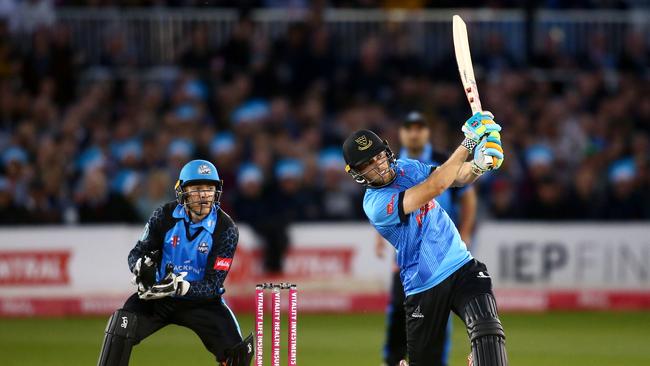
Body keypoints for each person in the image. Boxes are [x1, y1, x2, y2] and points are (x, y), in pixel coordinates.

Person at [342, 111, 507, 366]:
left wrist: (479, 165)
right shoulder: (374, 204)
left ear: (387, 152)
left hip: (461, 265)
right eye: (368, 164)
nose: (379, 165)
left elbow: (454, 177)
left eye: (379, 157)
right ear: (357, 173)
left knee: (488, 332)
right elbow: (434, 187)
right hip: (423, 285)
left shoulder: (407, 167)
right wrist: (469, 143)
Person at [97, 159, 254, 366]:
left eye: (209, 189)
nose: (204, 196)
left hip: (203, 303)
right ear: (183, 191)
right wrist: (140, 269)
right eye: (197, 189)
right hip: (158, 297)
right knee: (120, 327)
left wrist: (181, 287)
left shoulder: (226, 229)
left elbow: (213, 284)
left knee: (238, 354)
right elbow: (137, 252)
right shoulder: (164, 216)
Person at [377, 111, 477, 366]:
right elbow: (392, 207)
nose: (414, 133)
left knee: (437, 319)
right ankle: (394, 360)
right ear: (401, 133)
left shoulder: (443, 159)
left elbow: (466, 195)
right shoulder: (394, 167)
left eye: (419, 128)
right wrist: (470, 143)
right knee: (400, 314)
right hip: (410, 259)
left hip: (443, 250)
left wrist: (481, 162)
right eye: (409, 128)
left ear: (426, 132)